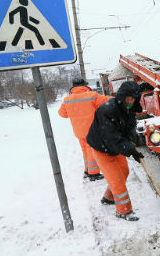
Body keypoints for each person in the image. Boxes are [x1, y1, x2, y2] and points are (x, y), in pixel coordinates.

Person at [87, 81, 144, 221]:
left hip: (114, 147)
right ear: (122, 96)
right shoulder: (107, 110)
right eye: (129, 98)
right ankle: (123, 211)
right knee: (117, 179)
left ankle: (108, 198)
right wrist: (130, 149)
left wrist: (133, 138)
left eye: (134, 99)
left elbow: (128, 127)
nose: (131, 101)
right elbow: (111, 138)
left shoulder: (129, 109)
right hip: (101, 147)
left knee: (124, 171)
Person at [58, 78, 110, 181]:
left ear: (73, 87)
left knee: (85, 151)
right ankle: (93, 174)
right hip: (91, 130)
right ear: (84, 85)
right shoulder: (91, 95)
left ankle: (87, 170)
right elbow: (107, 101)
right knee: (92, 151)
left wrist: (74, 112)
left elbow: (62, 114)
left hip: (78, 131)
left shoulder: (67, 99)